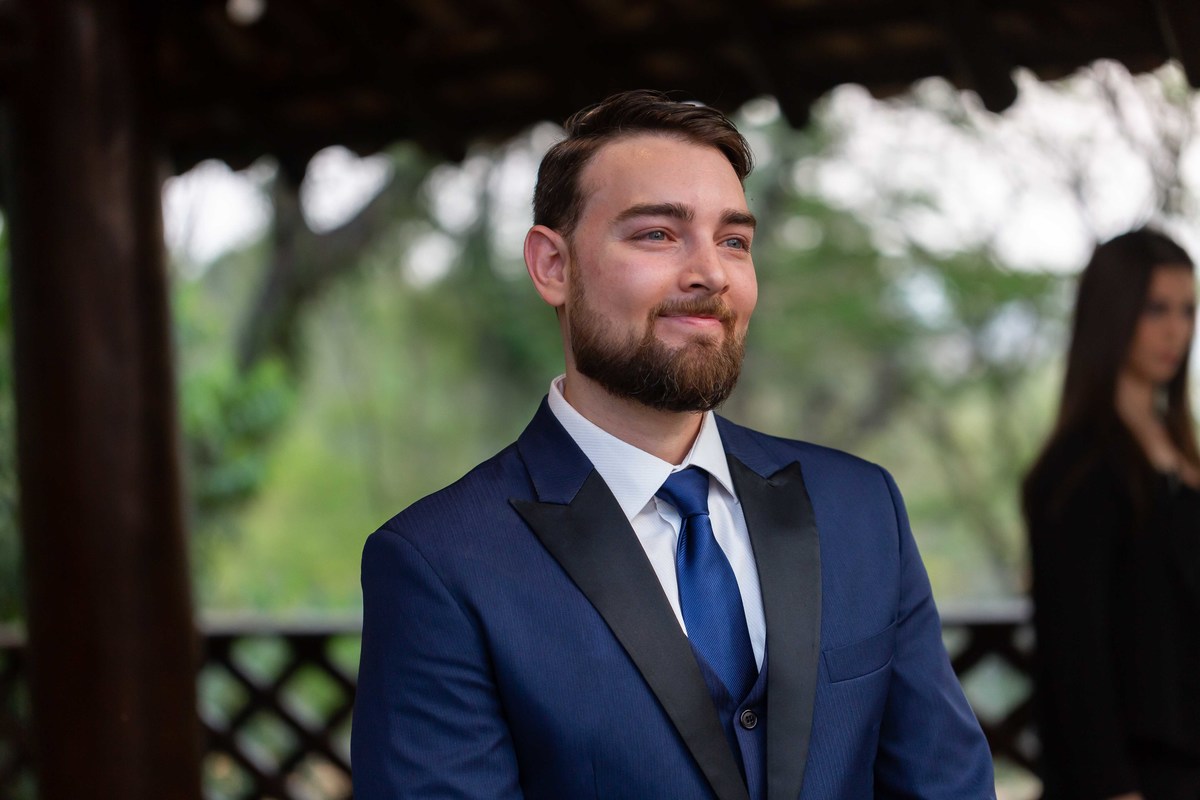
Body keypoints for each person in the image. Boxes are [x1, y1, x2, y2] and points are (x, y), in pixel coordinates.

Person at [352, 89, 995, 800]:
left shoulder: (861, 507)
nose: (711, 274)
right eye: (658, 234)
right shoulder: (439, 563)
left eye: (734, 241)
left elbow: (946, 785)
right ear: (552, 266)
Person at [1023, 228, 1200, 800]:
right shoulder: (1078, 472)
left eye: (1188, 310)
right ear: (1115, 313)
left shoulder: (1185, 451)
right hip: (1130, 779)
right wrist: (1114, 789)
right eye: (1156, 309)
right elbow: (1075, 657)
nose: (1177, 330)